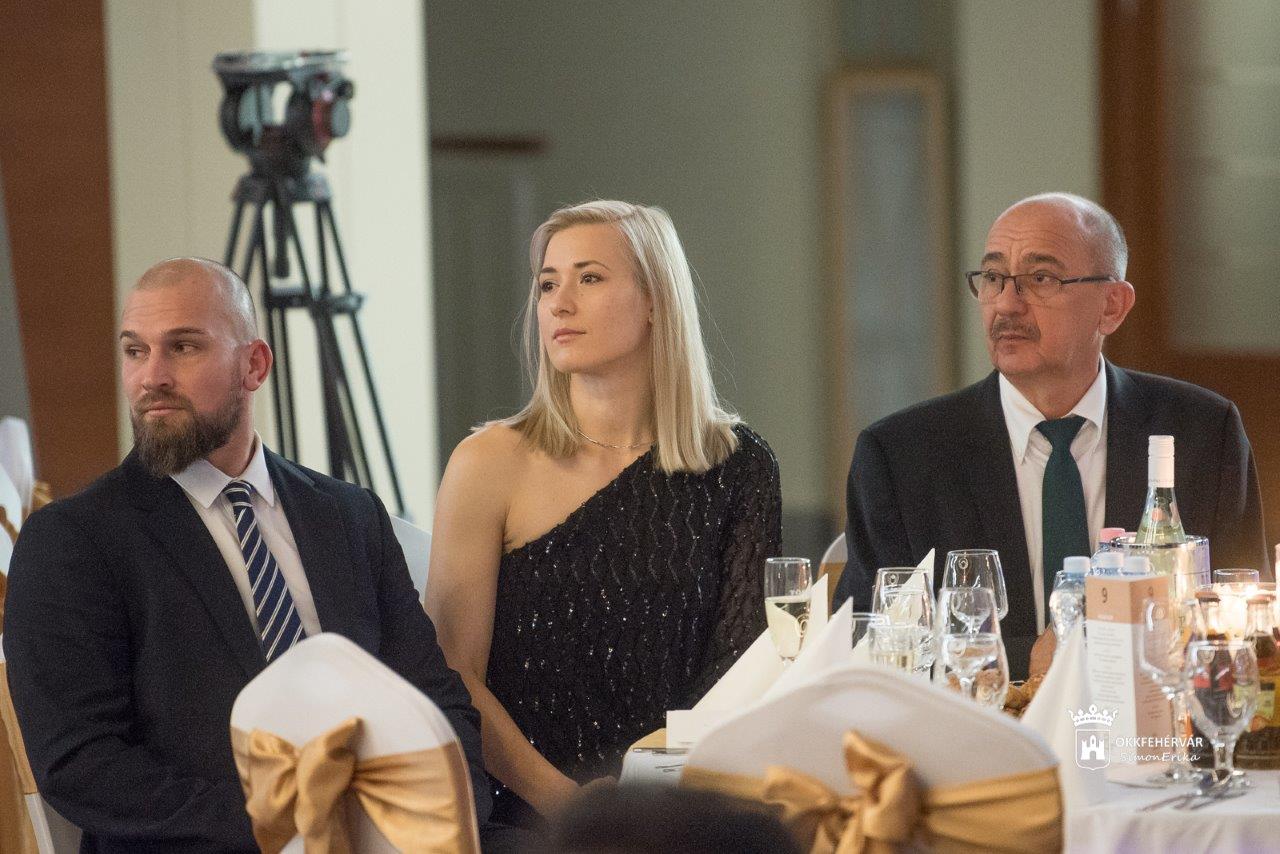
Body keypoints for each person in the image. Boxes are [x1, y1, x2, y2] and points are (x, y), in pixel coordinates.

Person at [2, 258, 517, 851]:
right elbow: (82, 766)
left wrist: (444, 814)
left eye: (183, 347)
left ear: (255, 364)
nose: (152, 377)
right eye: (135, 351)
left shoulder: (350, 516)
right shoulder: (73, 540)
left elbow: (436, 697)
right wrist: (298, 822)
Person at [426, 200, 781, 825]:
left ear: (655, 301)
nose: (559, 304)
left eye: (588, 278)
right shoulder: (487, 463)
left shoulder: (738, 464)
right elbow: (453, 675)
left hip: (685, 811)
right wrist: (571, 808)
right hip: (529, 818)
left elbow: (743, 670)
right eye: (547, 284)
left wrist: (661, 811)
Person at [834, 193, 1268, 679]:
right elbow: (865, 642)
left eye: (1040, 279)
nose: (1006, 304)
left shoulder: (1201, 433)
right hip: (980, 725)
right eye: (993, 278)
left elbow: (1246, 623)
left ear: (1112, 306)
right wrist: (1025, 661)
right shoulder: (901, 455)